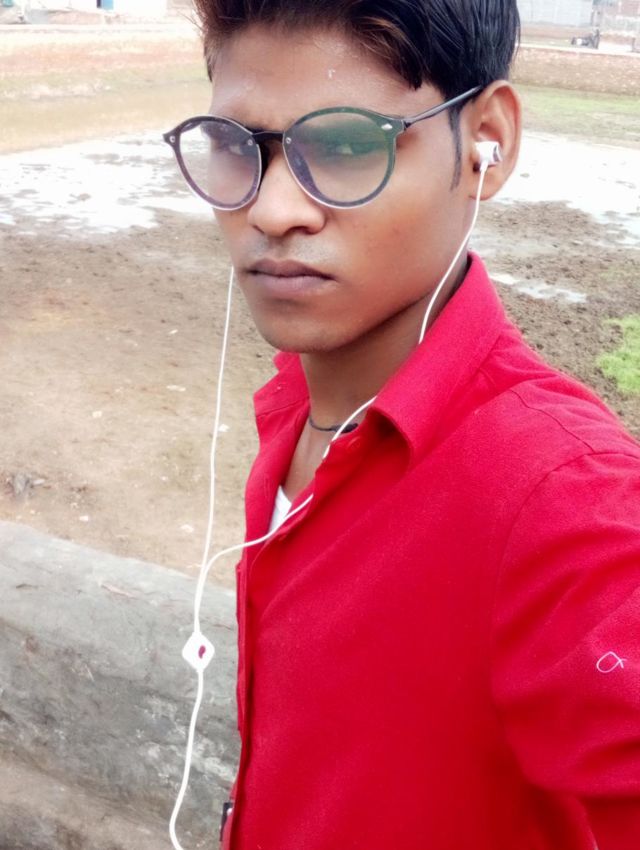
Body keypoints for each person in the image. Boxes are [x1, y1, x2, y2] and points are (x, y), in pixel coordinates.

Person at [165, 2, 640, 848]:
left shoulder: (564, 498)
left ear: (487, 143)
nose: (272, 210)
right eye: (238, 146)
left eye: (347, 145)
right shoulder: (297, 408)